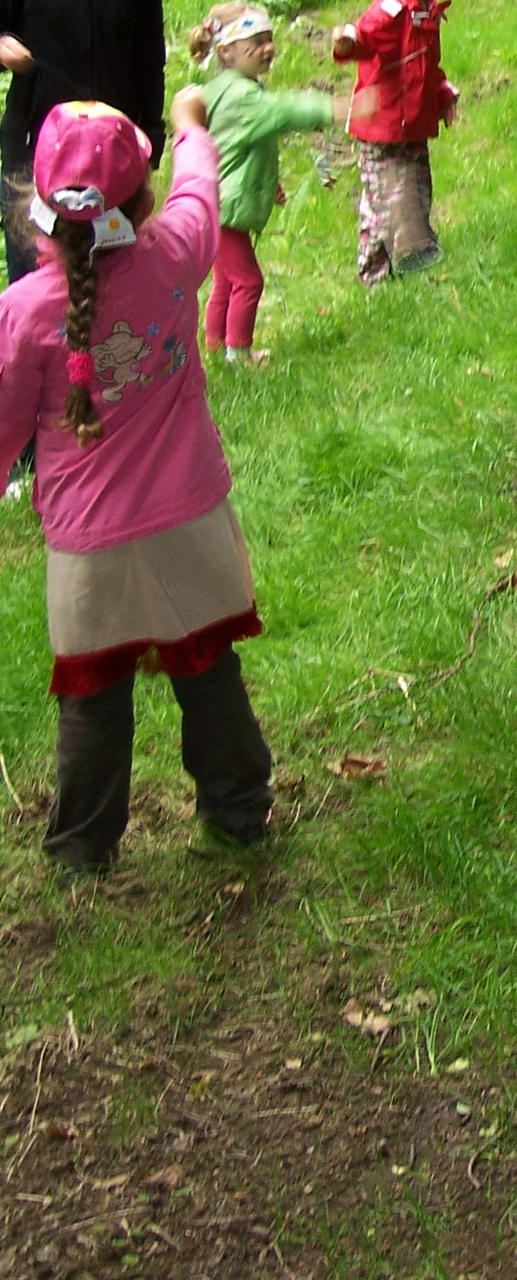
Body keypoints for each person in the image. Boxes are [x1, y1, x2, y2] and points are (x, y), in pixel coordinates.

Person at [0, 95, 275, 875]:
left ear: (37, 203)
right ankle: (239, 814)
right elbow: (200, 192)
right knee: (209, 672)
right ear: (141, 201)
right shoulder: (176, 254)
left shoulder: (21, 312)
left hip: (90, 549)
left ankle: (81, 849)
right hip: (190, 521)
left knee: (92, 701)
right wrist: (190, 125)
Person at [0, 0, 165, 290]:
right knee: (40, 291)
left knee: (116, 291)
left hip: (115, 159)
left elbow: (149, 59)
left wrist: (150, 140)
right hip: (36, 159)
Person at [189, 1, 350, 361]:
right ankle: (238, 355)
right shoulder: (241, 96)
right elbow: (280, 112)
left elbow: (240, 149)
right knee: (249, 281)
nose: (268, 48)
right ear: (226, 51)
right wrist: (330, 108)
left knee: (226, 281)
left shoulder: (228, 88)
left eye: (269, 39)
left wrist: (267, 182)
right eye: (257, 41)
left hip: (217, 202)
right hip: (224, 209)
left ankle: (215, 348)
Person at [332, 0, 458, 285]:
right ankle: (374, 275)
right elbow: (364, 39)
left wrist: (443, 94)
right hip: (381, 127)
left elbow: (427, 65)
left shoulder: (424, 11)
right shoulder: (389, 12)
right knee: (383, 203)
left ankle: (409, 261)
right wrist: (346, 42)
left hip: (412, 123)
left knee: (416, 191)